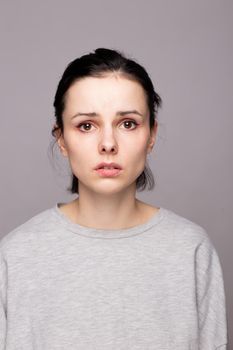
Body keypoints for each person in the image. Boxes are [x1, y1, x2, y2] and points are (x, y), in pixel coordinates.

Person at [0, 48, 228, 349]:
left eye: (128, 123)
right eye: (86, 125)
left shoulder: (191, 249)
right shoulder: (16, 256)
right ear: (62, 139)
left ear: (151, 135)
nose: (108, 144)